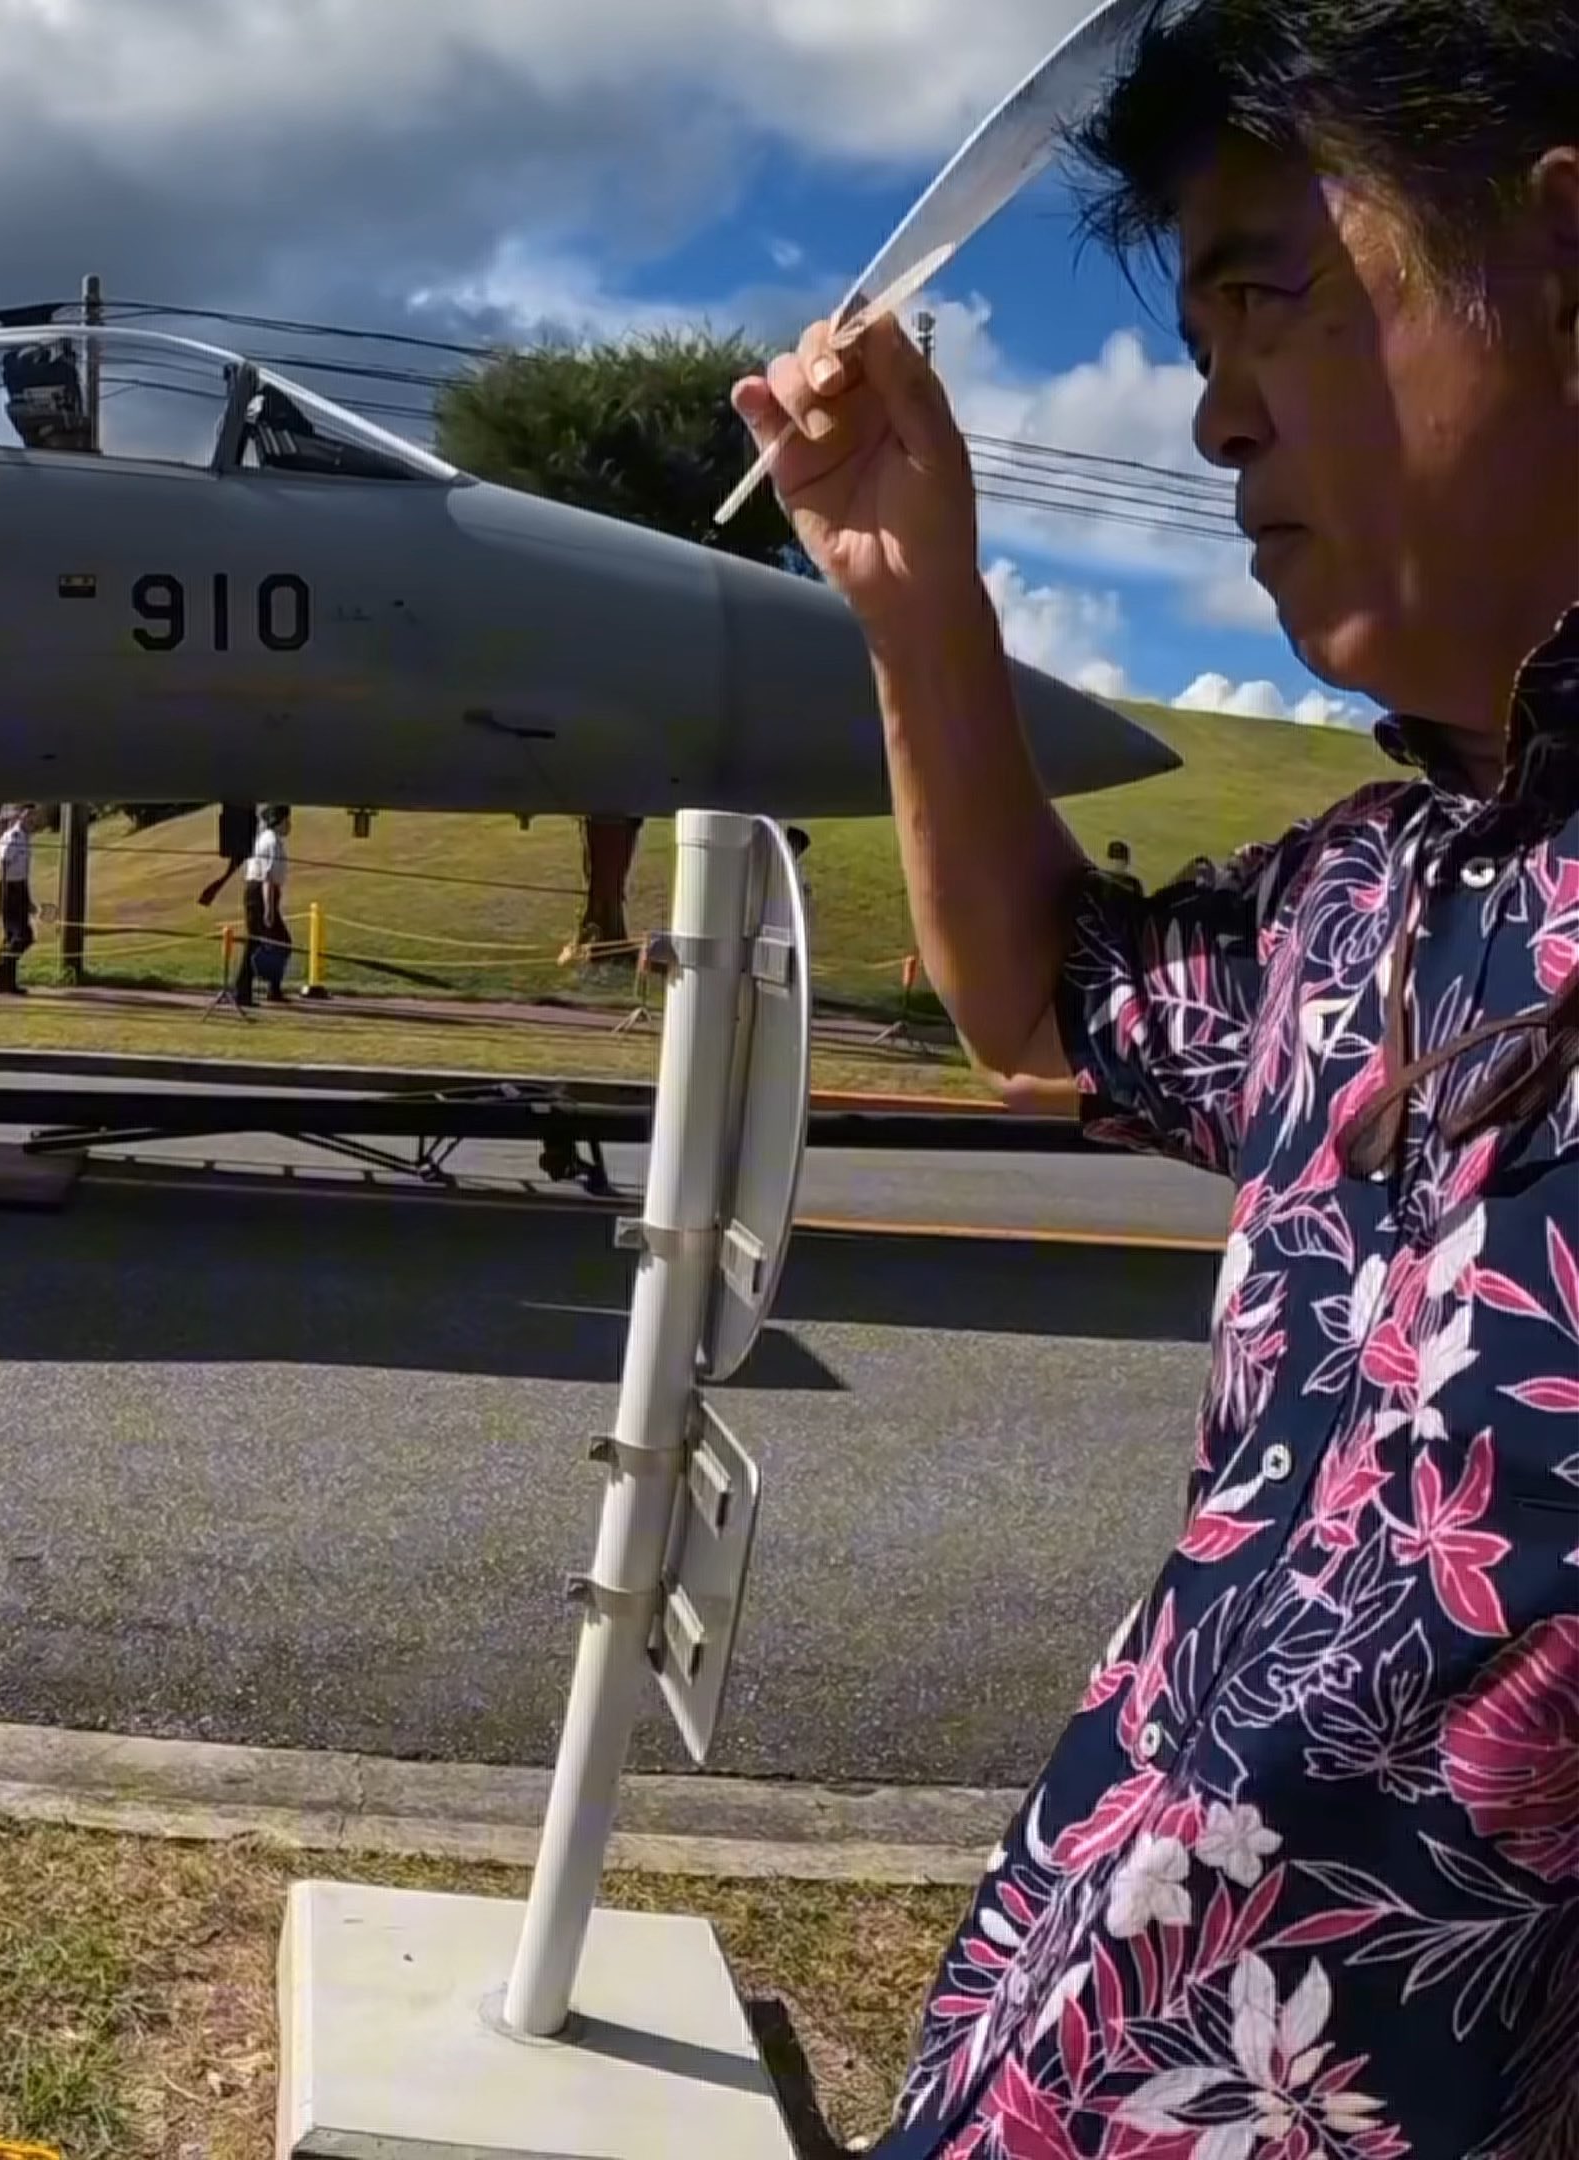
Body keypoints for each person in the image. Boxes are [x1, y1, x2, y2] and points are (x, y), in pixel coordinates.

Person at [733, 7, 1579, 2151]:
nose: (1214, 423)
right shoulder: (1363, 907)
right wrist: (920, 593)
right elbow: (1043, 1000)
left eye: (1266, 296)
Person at [230, 806, 293, 1007]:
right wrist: (268, 909)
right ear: (279, 821)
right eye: (287, 820)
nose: (290, 825)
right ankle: (243, 991)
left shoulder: (269, 839)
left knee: (277, 942)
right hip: (261, 895)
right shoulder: (271, 841)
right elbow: (267, 877)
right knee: (258, 943)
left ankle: (269, 988)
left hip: (264, 894)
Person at [0, 805, 40, 994]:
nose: (32, 820)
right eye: (29, 816)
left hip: (20, 888)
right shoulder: (13, 838)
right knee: (23, 936)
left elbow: (23, 872)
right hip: (10, 889)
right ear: (20, 816)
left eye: (34, 817)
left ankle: (6, 983)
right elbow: (2, 867)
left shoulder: (25, 838)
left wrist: (29, 899)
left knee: (12, 937)